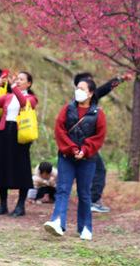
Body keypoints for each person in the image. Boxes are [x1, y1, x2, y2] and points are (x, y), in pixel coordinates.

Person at [43, 78, 106, 240]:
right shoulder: (67, 109)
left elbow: (99, 137)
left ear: (90, 93)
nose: (78, 91)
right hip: (66, 157)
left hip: (87, 160)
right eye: (77, 88)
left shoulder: (98, 113)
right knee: (63, 189)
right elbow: (60, 130)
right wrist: (72, 148)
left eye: (82, 89)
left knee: (84, 193)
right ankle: (57, 221)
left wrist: (85, 150)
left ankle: (85, 227)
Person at [73, 70, 134, 213]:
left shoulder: (78, 101)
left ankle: (86, 200)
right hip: (85, 144)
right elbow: (105, 88)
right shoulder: (86, 99)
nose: (92, 84)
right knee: (99, 170)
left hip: (80, 143)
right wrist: (121, 79)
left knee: (86, 171)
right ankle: (92, 201)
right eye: (89, 82)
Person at [0, 69, 37, 217]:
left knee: (21, 167)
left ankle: (20, 205)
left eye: (22, 79)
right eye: (18, 79)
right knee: (1, 166)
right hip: (4, 132)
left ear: (29, 83)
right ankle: (3, 204)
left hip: (20, 134)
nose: (18, 81)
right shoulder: (9, 96)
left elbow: (23, 103)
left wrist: (14, 86)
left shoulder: (31, 98)